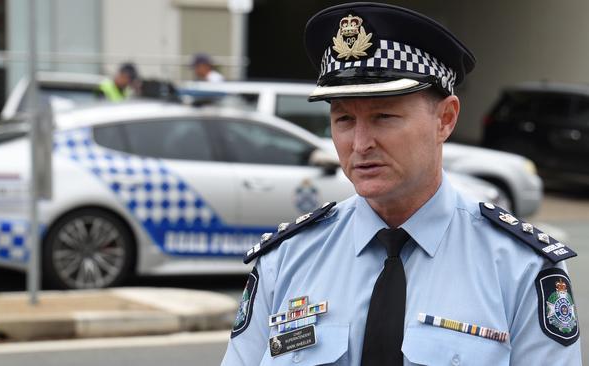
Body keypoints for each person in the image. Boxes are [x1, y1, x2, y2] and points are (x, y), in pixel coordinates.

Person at [221, 3, 581, 366]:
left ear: (446, 118)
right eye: (344, 119)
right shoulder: (287, 259)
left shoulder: (521, 267)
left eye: (384, 117)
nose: (360, 144)